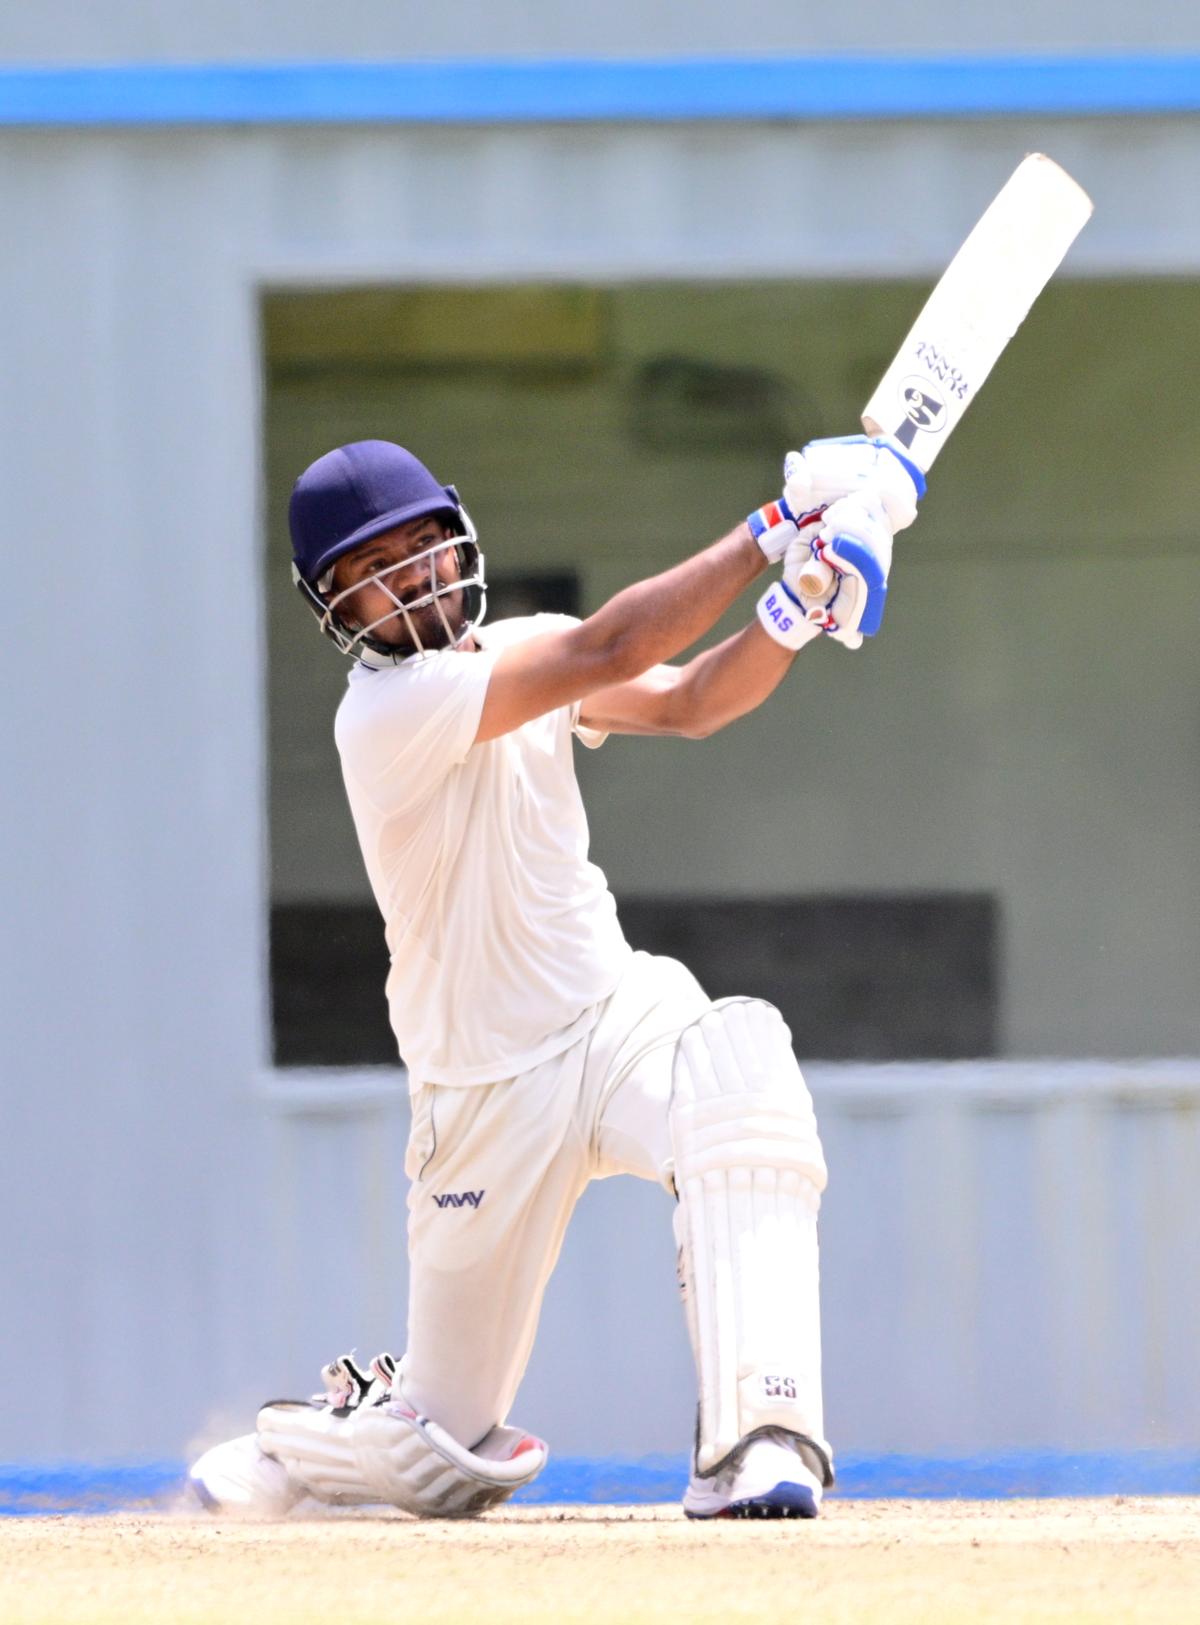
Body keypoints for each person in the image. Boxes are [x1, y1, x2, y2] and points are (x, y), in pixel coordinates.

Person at [190, 433, 922, 1520]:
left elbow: (690, 700)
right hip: (480, 1093)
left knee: (743, 1072)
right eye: (370, 566)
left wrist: (801, 603)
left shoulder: (525, 646)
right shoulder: (382, 714)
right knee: (443, 1457)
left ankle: (761, 1436)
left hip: (611, 1015)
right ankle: (316, 1442)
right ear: (335, 603)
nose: (409, 575)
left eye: (420, 545)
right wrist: (775, 528)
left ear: (458, 539)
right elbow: (612, 645)